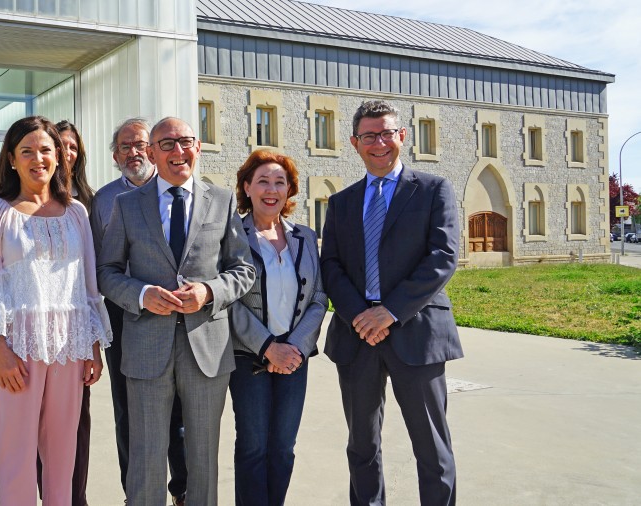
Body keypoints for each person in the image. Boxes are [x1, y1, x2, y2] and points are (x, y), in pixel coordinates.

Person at [97, 116, 255, 506]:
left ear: (198, 147)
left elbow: (243, 270)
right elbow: (106, 272)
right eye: (165, 144)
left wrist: (209, 291)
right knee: (146, 458)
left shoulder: (221, 200)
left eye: (185, 142)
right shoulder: (126, 204)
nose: (177, 151)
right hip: (146, 347)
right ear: (151, 153)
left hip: (208, 349)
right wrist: (141, 294)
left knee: (203, 460)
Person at [320, 100, 463, 505]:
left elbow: (443, 256)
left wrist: (391, 310)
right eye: (370, 136)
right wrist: (360, 315)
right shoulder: (342, 202)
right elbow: (330, 264)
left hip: (416, 334)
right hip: (357, 336)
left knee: (432, 449)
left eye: (387, 133)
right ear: (355, 143)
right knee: (362, 447)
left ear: (402, 136)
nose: (379, 143)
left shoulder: (434, 189)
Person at [0, 115, 110, 506]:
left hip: (70, 347)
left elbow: (87, 287)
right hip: (17, 350)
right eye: (26, 151)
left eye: (46, 150)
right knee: (15, 457)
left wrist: (94, 346)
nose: (38, 158)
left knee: (64, 458)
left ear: (60, 157)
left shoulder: (77, 212)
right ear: (11, 159)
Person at [89, 117, 188, 505]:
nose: (134, 153)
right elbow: (102, 266)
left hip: (176, 313)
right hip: (123, 314)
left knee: (179, 408)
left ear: (154, 148)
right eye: (125, 147)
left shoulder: (180, 190)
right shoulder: (105, 200)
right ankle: (136, 491)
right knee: (128, 409)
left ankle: (181, 487)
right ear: (115, 155)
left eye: (141, 144)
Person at [229, 149, 328, 506]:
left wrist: (296, 347)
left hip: (294, 359)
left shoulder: (304, 236)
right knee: (254, 447)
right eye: (263, 181)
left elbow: (319, 297)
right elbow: (228, 301)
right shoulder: (231, 235)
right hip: (248, 356)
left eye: (279, 182)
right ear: (247, 187)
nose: (271, 189)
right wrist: (268, 347)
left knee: (284, 449)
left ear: (289, 191)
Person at [34, 119, 96, 506]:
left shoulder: (90, 202)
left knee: (75, 423)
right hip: (34, 329)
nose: (67, 152)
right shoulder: (24, 201)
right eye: (61, 145)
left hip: (77, 330)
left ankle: (75, 497)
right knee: (34, 423)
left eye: (74, 147)